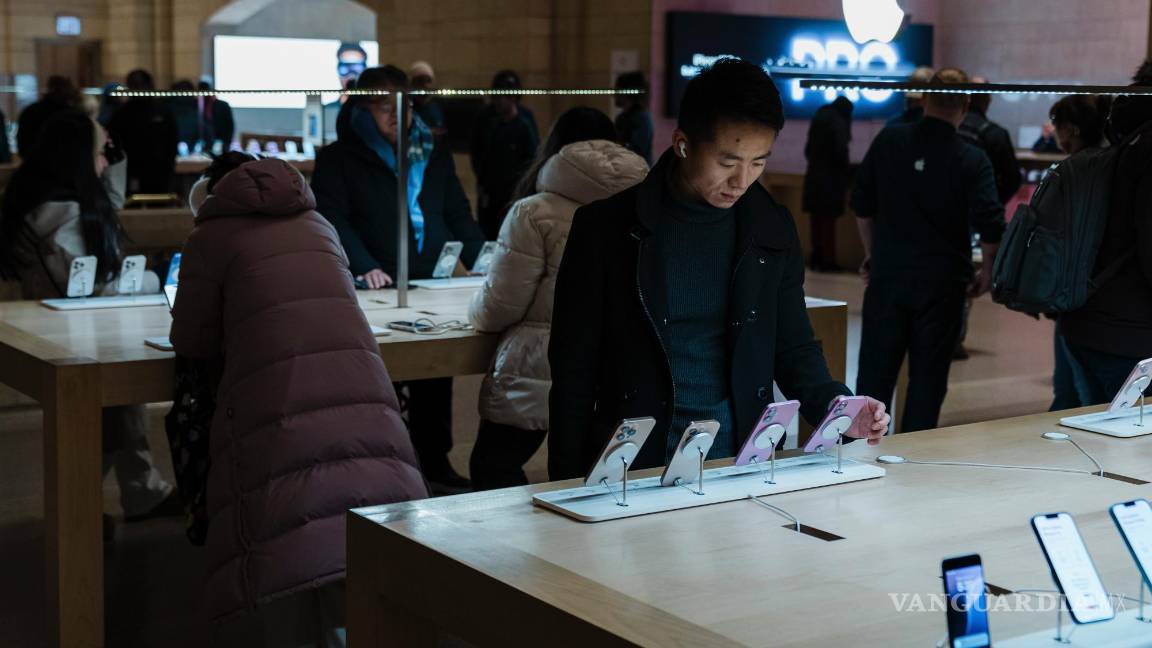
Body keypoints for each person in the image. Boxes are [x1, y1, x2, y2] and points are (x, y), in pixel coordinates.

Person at [548, 58, 890, 480]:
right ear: (682, 143)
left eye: (758, 162)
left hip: (741, 458)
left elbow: (793, 346)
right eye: (728, 162)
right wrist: (563, 482)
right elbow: (572, 372)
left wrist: (839, 409)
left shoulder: (771, 227)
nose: (742, 180)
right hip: (633, 463)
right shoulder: (605, 229)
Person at [171, 152, 428, 645]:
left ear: (213, 190)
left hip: (273, 395)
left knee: (289, 528)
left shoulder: (211, 235)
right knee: (357, 505)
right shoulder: (319, 224)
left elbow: (194, 341)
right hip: (361, 387)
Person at [0, 110, 176, 531]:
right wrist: (157, 279)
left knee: (113, 414)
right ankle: (81, 512)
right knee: (104, 417)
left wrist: (113, 163)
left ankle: (130, 495)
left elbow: (105, 206)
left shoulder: (42, 198)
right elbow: (95, 283)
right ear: (78, 157)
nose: (105, 160)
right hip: (80, 333)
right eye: (100, 153)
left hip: (62, 327)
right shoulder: (63, 216)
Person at [312, 65, 484, 491]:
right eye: (383, 107)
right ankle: (382, 466)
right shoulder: (338, 158)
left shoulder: (432, 152)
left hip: (429, 280)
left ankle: (433, 461)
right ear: (362, 110)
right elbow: (333, 218)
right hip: (374, 283)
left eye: (402, 106)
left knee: (434, 371)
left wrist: (485, 256)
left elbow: (456, 212)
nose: (396, 116)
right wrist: (363, 264)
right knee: (376, 376)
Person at [468, 108, 647, 490]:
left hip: (537, 365)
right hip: (619, 367)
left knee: (494, 469)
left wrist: (475, 315)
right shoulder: (645, 205)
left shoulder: (535, 211)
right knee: (591, 482)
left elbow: (502, 303)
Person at [852, 68, 1005, 432]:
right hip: (943, 286)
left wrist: (874, 253)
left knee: (874, 376)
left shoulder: (889, 141)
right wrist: (987, 272)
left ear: (924, 99)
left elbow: (861, 204)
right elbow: (991, 224)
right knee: (928, 380)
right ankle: (912, 459)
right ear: (966, 105)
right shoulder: (971, 158)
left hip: (888, 277)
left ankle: (860, 452)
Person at [1058, 70, 1152, 405]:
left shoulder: (1119, 149)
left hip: (1087, 321)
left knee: (1095, 436)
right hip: (1131, 338)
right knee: (1130, 449)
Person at [1046, 94, 1110, 410]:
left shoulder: (1072, 171)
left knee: (1070, 388)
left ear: (1070, 129)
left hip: (1074, 292)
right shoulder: (1115, 164)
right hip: (1103, 292)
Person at [953, 78, 1022, 360]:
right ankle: (955, 338)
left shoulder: (951, 131)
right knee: (964, 274)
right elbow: (1013, 178)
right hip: (978, 217)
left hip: (946, 217)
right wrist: (992, 202)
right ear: (988, 100)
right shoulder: (994, 134)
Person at [470, 69, 540, 239]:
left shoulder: (524, 121)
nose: (500, 102)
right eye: (497, 96)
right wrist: (482, 182)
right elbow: (477, 152)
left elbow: (533, 155)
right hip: (490, 191)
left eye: (505, 97)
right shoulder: (487, 119)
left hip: (515, 190)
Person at [107, 69, 179, 194]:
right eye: (134, 85)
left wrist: (169, 167)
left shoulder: (162, 112)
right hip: (132, 172)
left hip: (159, 172)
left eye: (140, 85)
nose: (137, 89)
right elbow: (113, 143)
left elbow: (172, 142)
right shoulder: (122, 114)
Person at [802, 96, 853, 272]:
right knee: (829, 222)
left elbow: (807, 151)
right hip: (831, 180)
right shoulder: (839, 120)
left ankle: (816, 258)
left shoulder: (819, 116)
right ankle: (828, 261)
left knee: (816, 220)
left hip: (813, 177)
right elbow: (840, 151)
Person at [16, 75, 81, 156]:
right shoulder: (70, 115)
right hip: (61, 164)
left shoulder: (30, 111)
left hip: (35, 163)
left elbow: (22, 146)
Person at [614, 70, 653, 165]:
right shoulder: (621, 118)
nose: (614, 93)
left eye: (617, 89)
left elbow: (636, 151)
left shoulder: (641, 118)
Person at [197, 80, 236, 154]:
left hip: (220, 142)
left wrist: (227, 143)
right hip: (205, 143)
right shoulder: (198, 105)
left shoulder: (222, 105)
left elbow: (230, 126)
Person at [409, 61, 446, 138]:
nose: (425, 85)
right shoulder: (407, 108)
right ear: (412, 84)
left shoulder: (436, 107)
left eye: (428, 81)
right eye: (420, 81)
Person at [169, 80, 199, 152]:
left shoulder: (195, 109)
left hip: (190, 146)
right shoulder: (171, 109)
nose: (183, 94)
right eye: (181, 91)